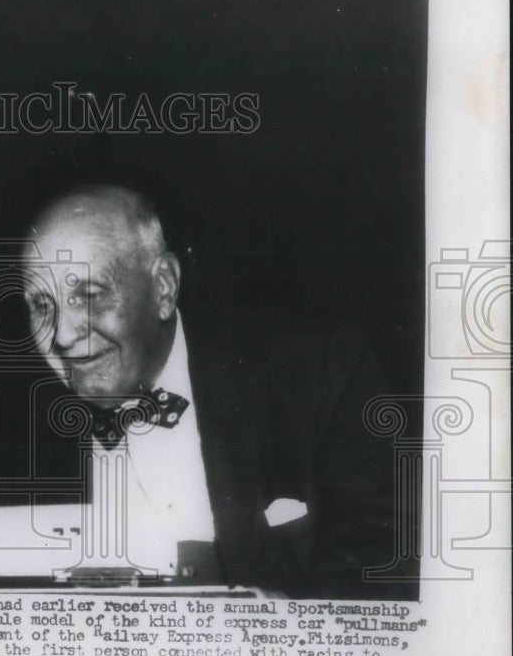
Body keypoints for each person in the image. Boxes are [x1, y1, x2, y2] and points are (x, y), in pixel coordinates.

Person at [21, 184, 405, 599]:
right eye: (42, 306)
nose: (61, 335)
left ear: (163, 287)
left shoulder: (315, 375)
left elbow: (385, 558)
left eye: (90, 296)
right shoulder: (2, 436)